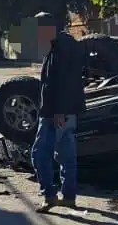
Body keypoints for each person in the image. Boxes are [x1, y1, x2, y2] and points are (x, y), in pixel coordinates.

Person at [32, 11, 85, 213]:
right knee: (65, 154)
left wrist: (55, 113)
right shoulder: (64, 45)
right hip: (64, 111)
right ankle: (68, 197)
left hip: (56, 112)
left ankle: (49, 196)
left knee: (39, 154)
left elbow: (63, 84)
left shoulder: (61, 49)